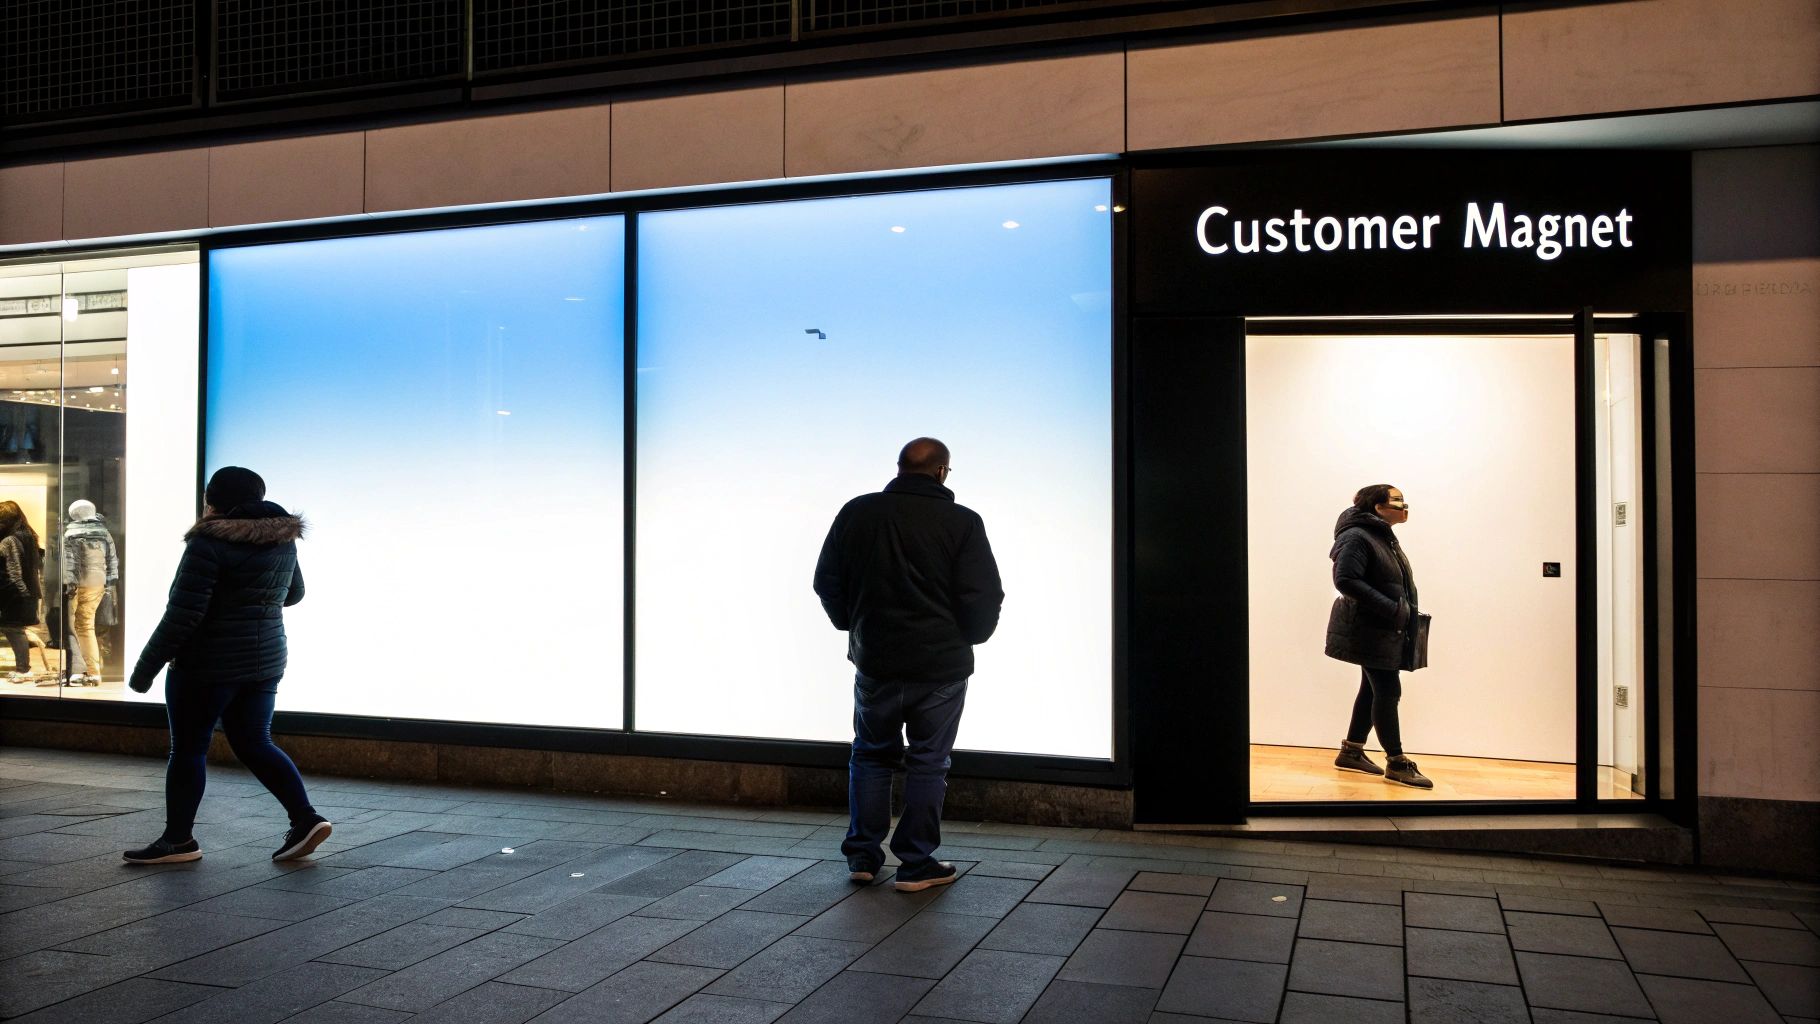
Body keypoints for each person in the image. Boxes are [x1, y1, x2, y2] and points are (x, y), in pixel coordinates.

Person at [814, 437, 1004, 892]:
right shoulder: (962, 523)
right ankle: (916, 864)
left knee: (870, 754)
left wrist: (853, 625)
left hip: (876, 662)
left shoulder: (856, 512)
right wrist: (970, 636)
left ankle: (862, 855)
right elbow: (983, 594)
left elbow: (826, 581)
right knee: (928, 762)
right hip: (939, 667)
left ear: (899, 468)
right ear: (942, 472)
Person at [123, 466, 332, 864]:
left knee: (188, 748)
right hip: (266, 660)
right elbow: (294, 594)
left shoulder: (209, 542)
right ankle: (305, 819)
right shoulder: (283, 538)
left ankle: (178, 841)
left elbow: (183, 615)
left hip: (208, 664)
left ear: (214, 501)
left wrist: (144, 669)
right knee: (255, 741)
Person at [1325, 484, 1433, 789]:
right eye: (1397, 500)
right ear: (1376, 507)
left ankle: (1352, 751)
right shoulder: (1357, 537)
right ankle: (1397, 762)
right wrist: (1391, 609)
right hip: (1369, 629)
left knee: (1372, 689)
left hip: (1381, 628)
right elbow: (1345, 580)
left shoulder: (1380, 536)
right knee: (1387, 690)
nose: (1404, 505)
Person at [64, 499, 119, 686]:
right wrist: (110, 582)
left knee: (76, 627)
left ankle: (81, 671)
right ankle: (93, 671)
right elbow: (113, 560)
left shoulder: (71, 533)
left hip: (78, 584)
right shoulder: (104, 533)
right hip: (99, 583)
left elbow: (69, 563)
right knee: (87, 625)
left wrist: (69, 583)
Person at [0, 501, 44, 684]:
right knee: (15, 630)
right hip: (26, 593)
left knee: (14, 630)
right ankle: (23, 668)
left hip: (15, 594)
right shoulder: (29, 536)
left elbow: (13, 572)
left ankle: (23, 669)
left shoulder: (9, 540)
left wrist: (19, 593)